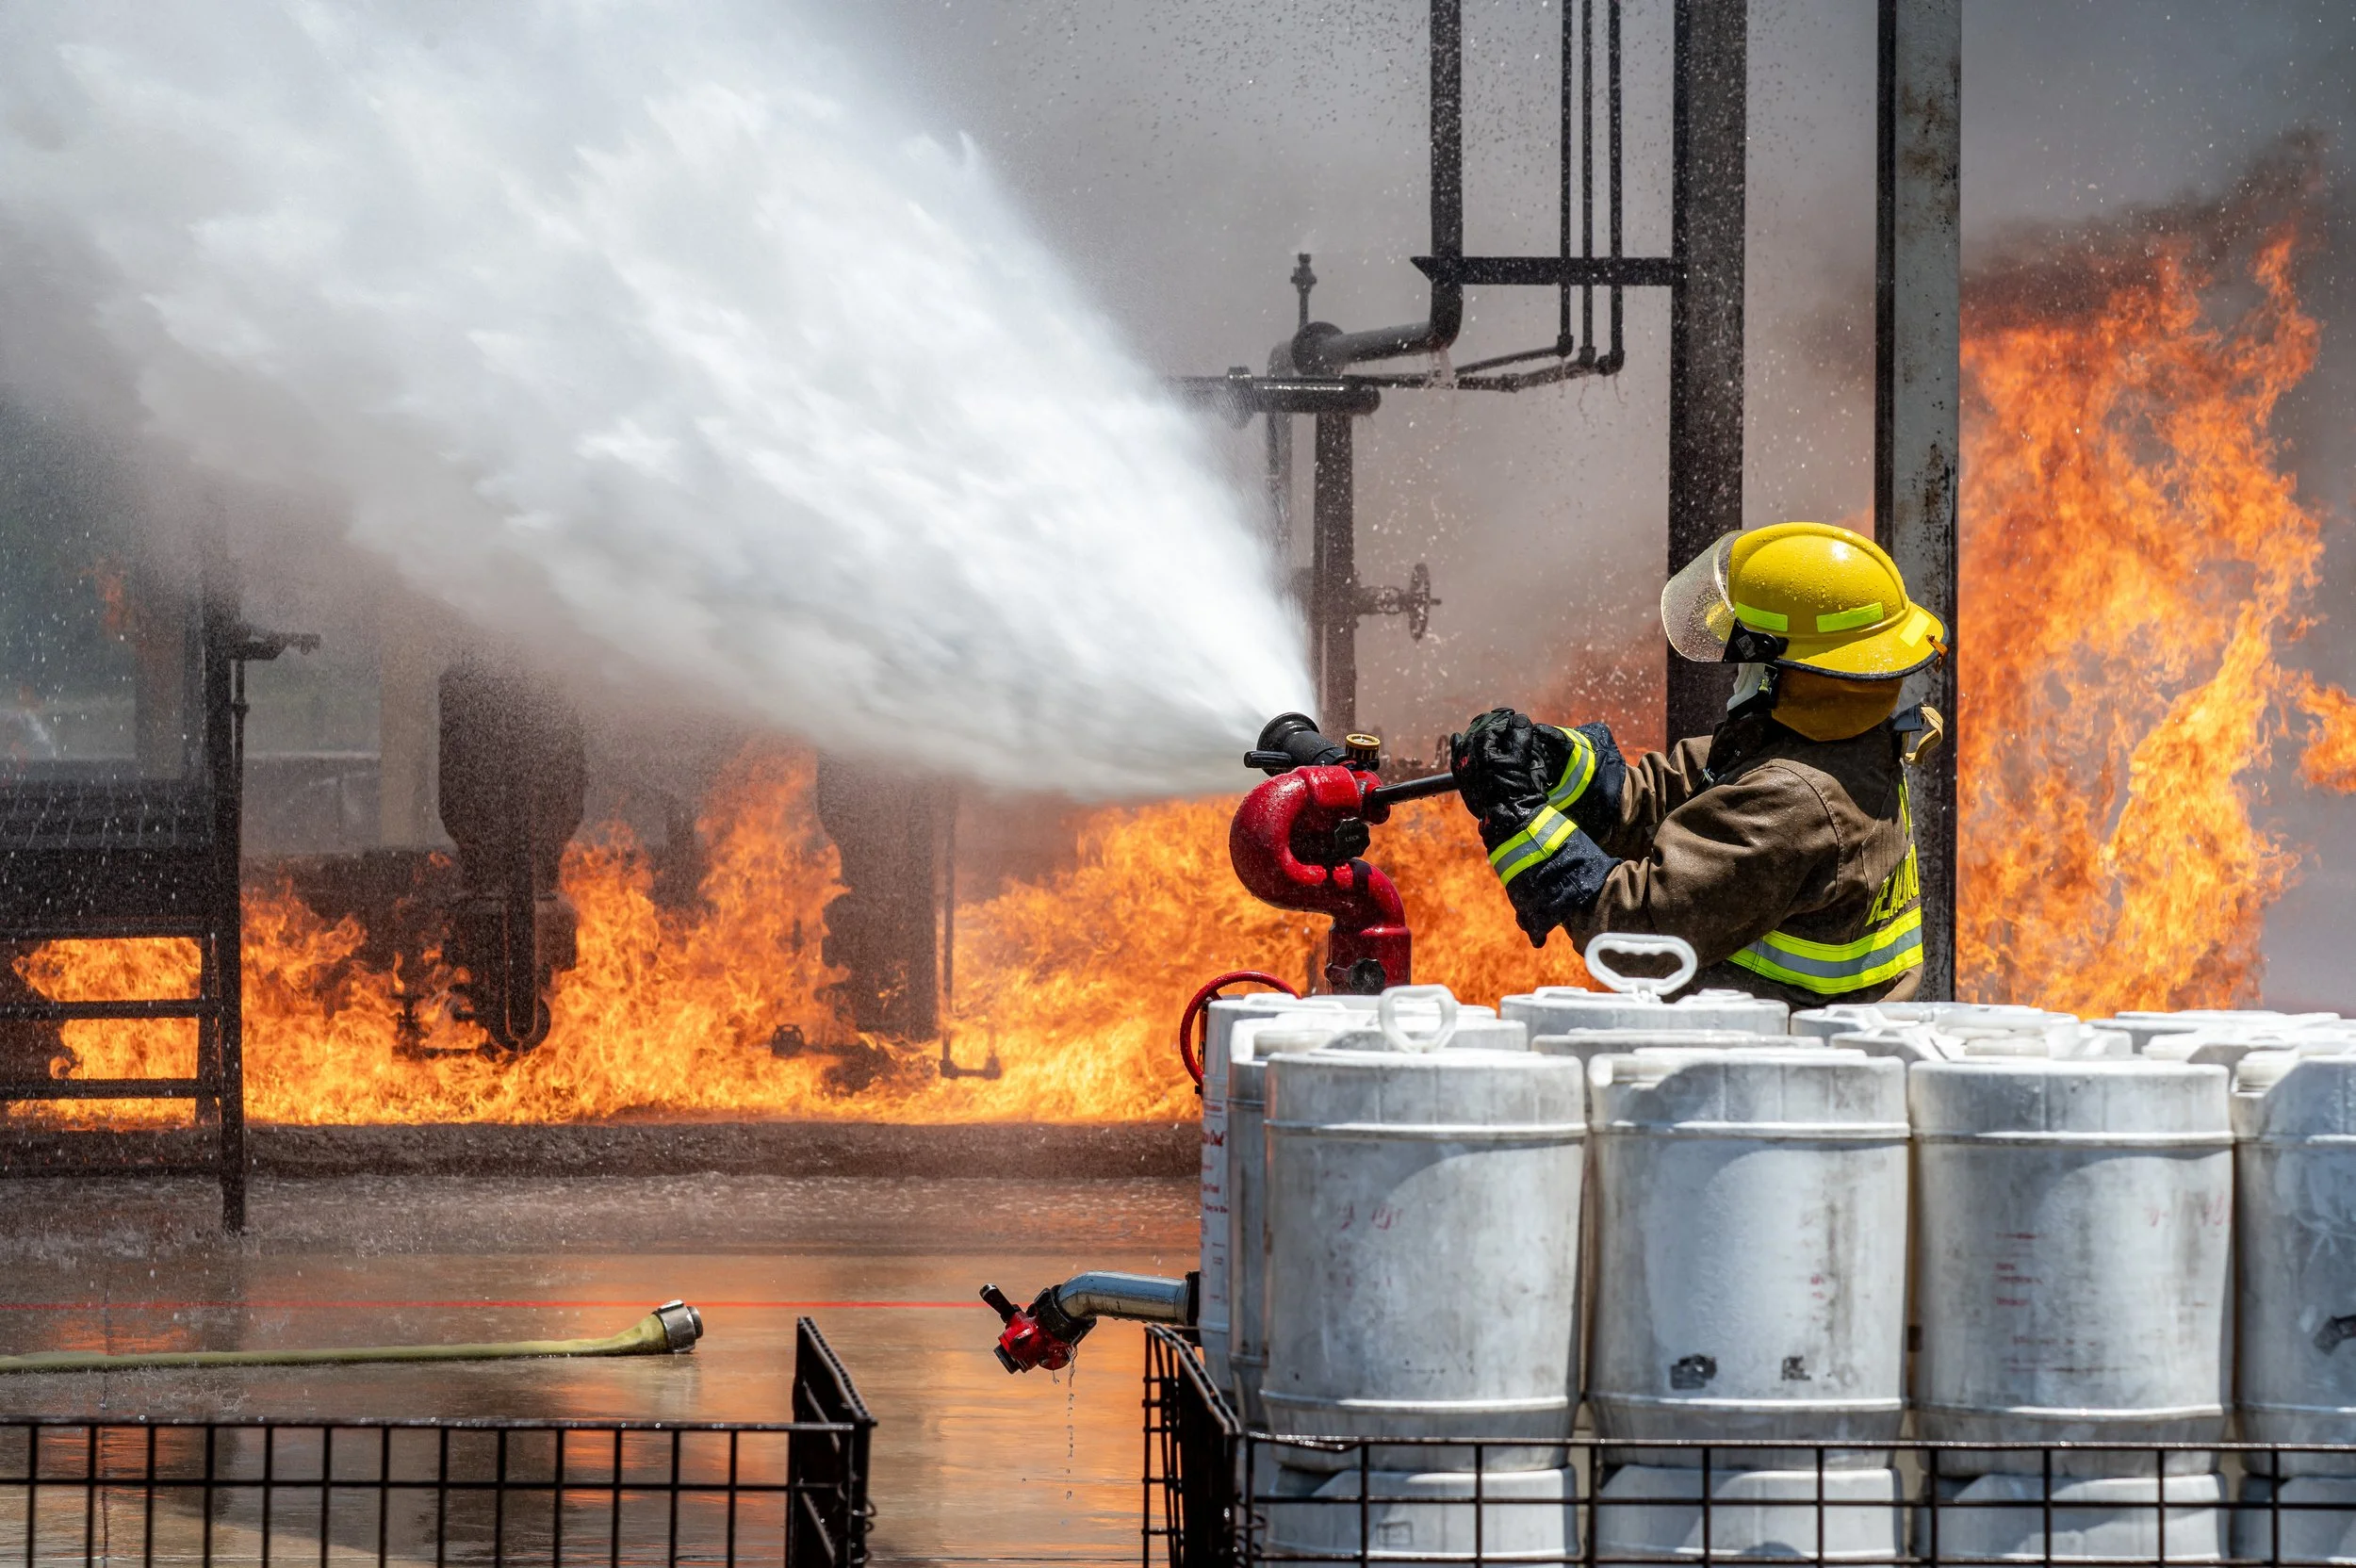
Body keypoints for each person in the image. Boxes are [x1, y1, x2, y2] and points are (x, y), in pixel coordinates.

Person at [1449, 521, 1947, 1005]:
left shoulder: (1792, 799)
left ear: (1788, 672)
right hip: (1779, 1037)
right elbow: (1676, 794)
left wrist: (1519, 818)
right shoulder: (1843, 738)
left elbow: (1640, 937)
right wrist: (1556, 760)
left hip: (1772, 1052)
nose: (1736, 673)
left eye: (1746, 659)